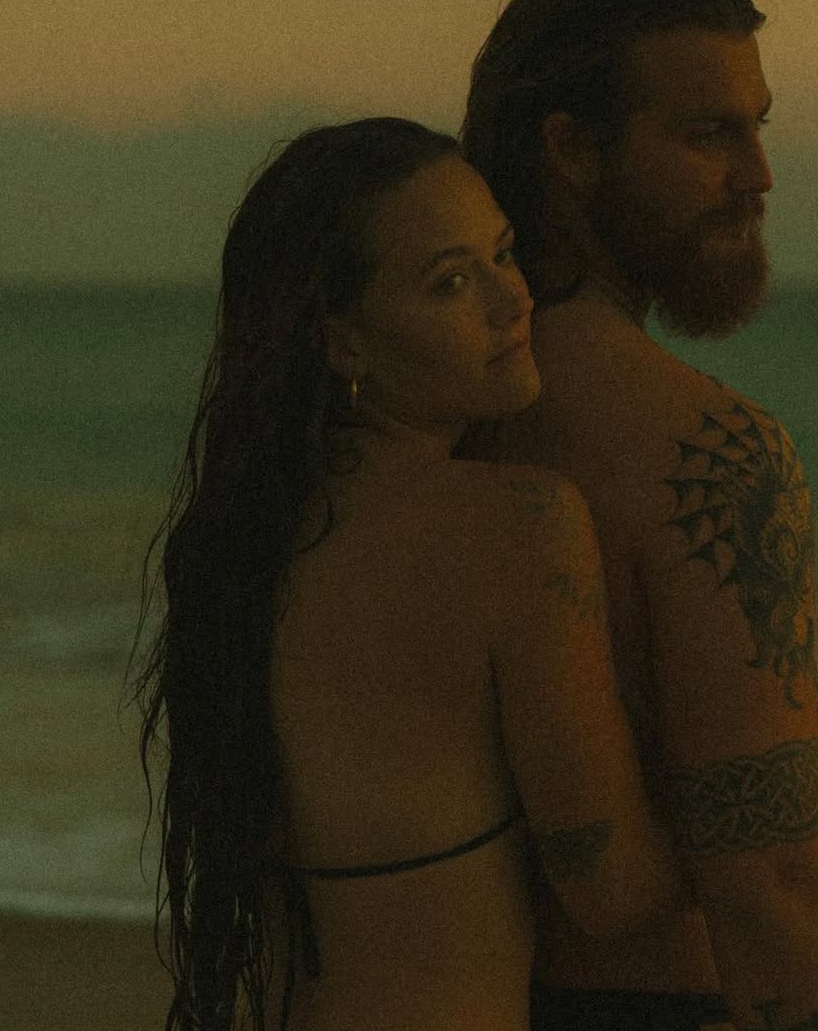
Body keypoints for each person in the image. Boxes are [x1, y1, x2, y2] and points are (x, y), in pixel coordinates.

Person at [129, 117, 691, 1031]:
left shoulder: (239, 540)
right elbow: (610, 889)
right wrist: (746, 801)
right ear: (344, 344)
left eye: (504, 256)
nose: (514, 305)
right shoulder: (517, 524)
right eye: (452, 283)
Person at [459, 0, 818, 1031]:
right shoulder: (710, 453)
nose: (760, 174)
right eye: (708, 134)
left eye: (758, 127)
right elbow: (778, 884)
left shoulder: (400, 425)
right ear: (572, 149)